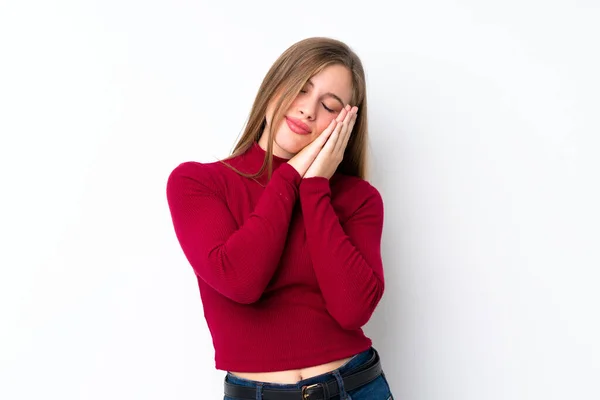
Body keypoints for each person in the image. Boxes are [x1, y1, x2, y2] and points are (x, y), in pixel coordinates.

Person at [166, 37, 394, 400]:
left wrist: (316, 186)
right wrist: (290, 177)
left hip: (356, 386)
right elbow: (240, 280)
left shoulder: (358, 199)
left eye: (329, 106)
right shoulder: (198, 183)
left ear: (345, 124)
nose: (307, 111)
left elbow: (353, 310)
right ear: (275, 85)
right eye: (301, 89)